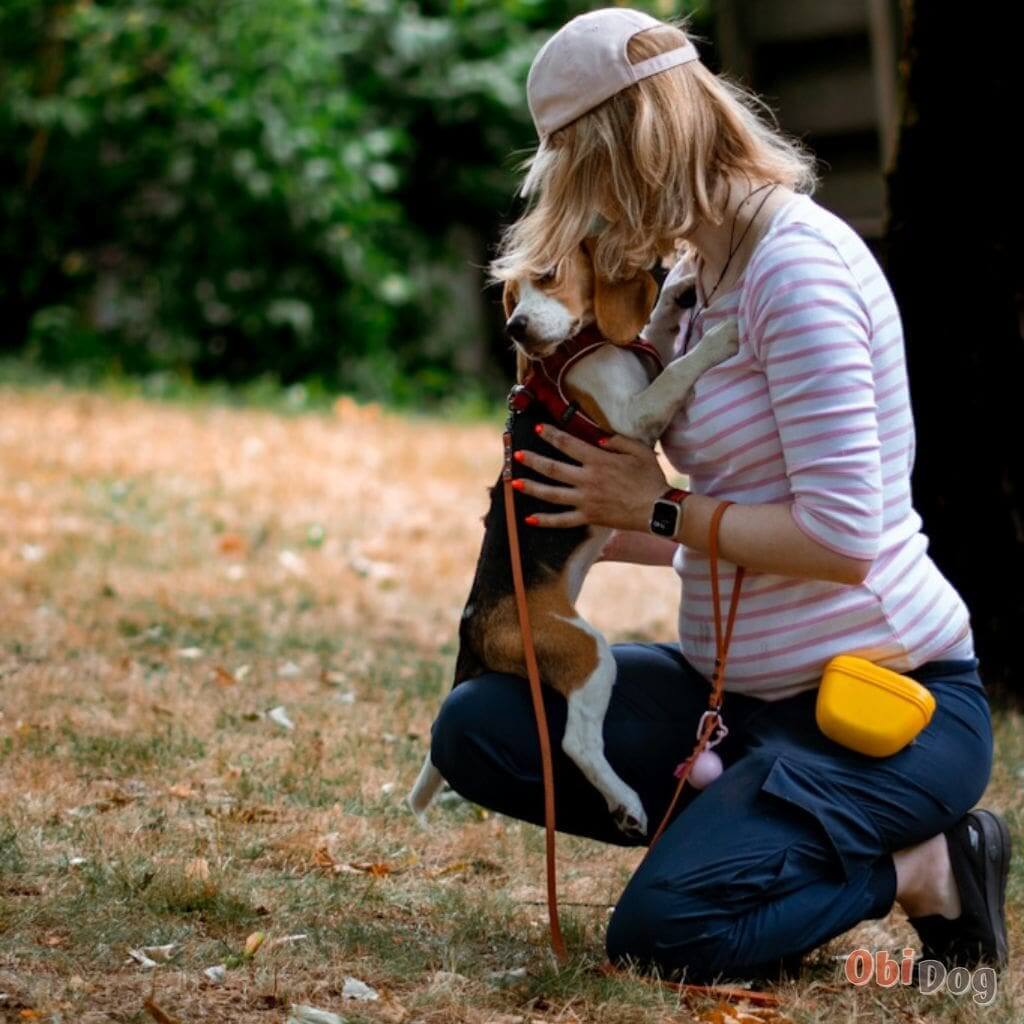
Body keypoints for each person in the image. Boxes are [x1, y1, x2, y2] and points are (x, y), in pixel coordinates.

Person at [428, 8, 1009, 982]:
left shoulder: (796, 271)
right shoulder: (695, 276)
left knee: (664, 937)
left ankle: (926, 861)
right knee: (478, 728)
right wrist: (581, 514)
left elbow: (840, 537)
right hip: (733, 699)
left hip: (880, 708)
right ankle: (745, 831)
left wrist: (652, 508)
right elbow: (715, 515)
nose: (584, 211)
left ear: (628, 151)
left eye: (580, 178)